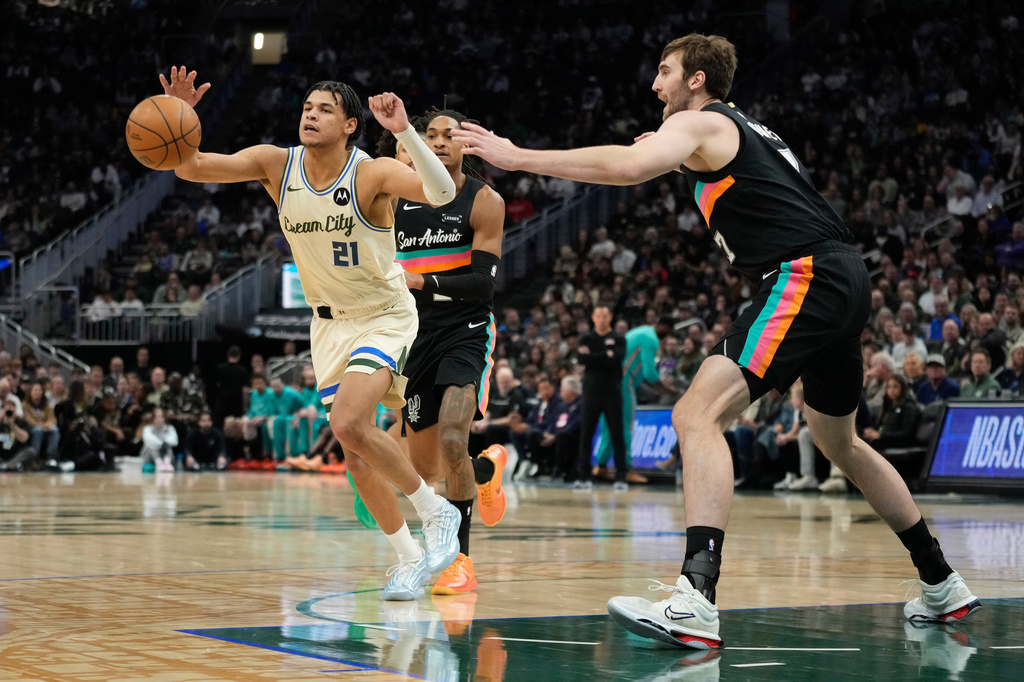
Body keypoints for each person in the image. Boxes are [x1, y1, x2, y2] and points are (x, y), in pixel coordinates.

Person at [452, 33, 979, 648]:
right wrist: (670, 154)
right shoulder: (743, 131)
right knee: (841, 441)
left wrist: (517, 156)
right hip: (842, 276)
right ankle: (941, 582)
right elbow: (702, 167)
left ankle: (696, 598)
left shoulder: (701, 122)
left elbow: (626, 168)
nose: (656, 84)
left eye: (665, 71)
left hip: (803, 275)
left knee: (695, 415)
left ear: (696, 79)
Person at [160, 66, 461, 598]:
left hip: (382, 313)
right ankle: (410, 559)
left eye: (325, 109)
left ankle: (435, 511)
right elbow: (191, 167)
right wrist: (179, 117)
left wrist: (404, 133)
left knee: (347, 421)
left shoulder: (370, 173)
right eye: (306, 107)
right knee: (355, 454)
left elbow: (441, 192)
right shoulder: (276, 164)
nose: (311, 115)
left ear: (350, 125)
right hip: (327, 325)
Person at [385, 108, 509, 595]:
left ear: (465, 146)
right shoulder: (396, 200)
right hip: (414, 334)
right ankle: (486, 471)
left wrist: (422, 281)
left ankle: (460, 561)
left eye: (448, 135)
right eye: (430, 135)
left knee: (455, 438)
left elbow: (483, 284)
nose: (438, 142)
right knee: (429, 469)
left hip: (466, 328)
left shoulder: (484, 200)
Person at [574, 305, 628, 489]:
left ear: (610, 317)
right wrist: (606, 355)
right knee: (586, 435)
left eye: (605, 316)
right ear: (593, 318)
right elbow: (582, 359)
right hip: (590, 392)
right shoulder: (586, 338)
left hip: (612, 393)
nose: (602, 319)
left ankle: (621, 477)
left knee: (617, 434)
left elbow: (616, 360)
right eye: (599, 316)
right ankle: (584, 477)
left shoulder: (619, 339)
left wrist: (594, 358)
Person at [141, 407, 178, 473]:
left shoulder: (170, 428)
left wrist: (164, 443)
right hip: (150, 457)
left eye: (161, 417)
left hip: (165, 455)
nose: (159, 419)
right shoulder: (148, 428)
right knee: (151, 445)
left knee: (169, 447)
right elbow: (149, 440)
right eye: (157, 417)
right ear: (153, 418)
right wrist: (161, 443)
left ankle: (167, 463)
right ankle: (159, 463)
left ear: (164, 418)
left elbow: (174, 441)